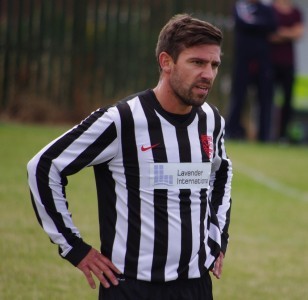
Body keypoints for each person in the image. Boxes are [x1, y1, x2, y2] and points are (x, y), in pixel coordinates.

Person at [27, 14, 233, 300]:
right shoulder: (122, 120)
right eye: (197, 62)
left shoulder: (211, 120)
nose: (208, 74)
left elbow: (220, 172)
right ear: (166, 62)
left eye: (214, 65)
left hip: (195, 286)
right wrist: (74, 247)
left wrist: (217, 237)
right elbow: (43, 166)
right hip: (132, 287)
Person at [226, 0, 277, 141]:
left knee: (265, 100)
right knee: (238, 97)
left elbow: (272, 25)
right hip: (243, 61)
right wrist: (260, 25)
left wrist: (254, 23)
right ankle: (232, 131)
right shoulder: (240, 6)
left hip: (263, 62)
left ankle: (264, 136)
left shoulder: (267, 8)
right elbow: (243, 23)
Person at [269, 0, 304, 141]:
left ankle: (282, 135)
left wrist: (281, 33)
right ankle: (266, 133)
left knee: (287, 100)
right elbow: (270, 35)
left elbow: (299, 33)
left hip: (288, 63)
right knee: (267, 99)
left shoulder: (296, 12)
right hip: (270, 62)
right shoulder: (270, 9)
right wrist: (290, 33)